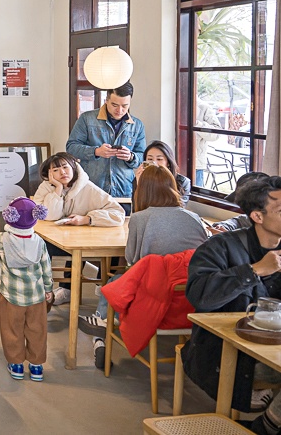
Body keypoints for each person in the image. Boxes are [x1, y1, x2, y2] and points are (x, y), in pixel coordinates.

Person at [77, 164, 208, 364]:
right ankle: (102, 323)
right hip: (192, 295)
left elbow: (132, 260)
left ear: (142, 190)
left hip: (157, 295)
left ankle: (101, 331)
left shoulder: (140, 218)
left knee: (113, 283)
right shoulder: (194, 217)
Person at [182, 176, 281, 414]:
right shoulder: (220, 247)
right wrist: (254, 270)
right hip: (226, 352)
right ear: (258, 216)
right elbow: (200, 296)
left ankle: (269, 422)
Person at [31, 152, 125, 333]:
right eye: (56, 170)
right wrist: (57, 190)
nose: (62, 173)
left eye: (65, 167)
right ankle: (44, 293)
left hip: (80, 242)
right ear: (49, 174)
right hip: (55, 240)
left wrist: (88, 219)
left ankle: (81, 291)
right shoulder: (46, 188)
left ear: (74, 167)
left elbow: (118, 213)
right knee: (39, 246)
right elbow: (48, 216)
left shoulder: (88, 188)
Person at [0, 197, 52, 382]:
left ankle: (16, 365)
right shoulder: (39, 242)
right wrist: (48, 289)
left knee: (12, 329)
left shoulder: (3, 239)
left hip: (11, 296)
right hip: (37, 296)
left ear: (10, 217)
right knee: (37, 330)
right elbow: (46, 268)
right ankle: (36, 366)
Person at [66, 81, 146, 198]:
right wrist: (96, 151)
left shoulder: (137, 125)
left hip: (124, 189)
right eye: (114, 105)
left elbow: (142, 156)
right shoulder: (86, 119)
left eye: (125, 106)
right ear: (106, 100)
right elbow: (71, 147)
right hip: (92, 188)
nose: (120, 110)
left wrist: (131, 157)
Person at [193, 99, 223, 188]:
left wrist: (198, 125)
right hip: (174, 160)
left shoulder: (203, 107)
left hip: (195, 163)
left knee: (196, 196)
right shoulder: (174, 102)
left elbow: (216, 133)